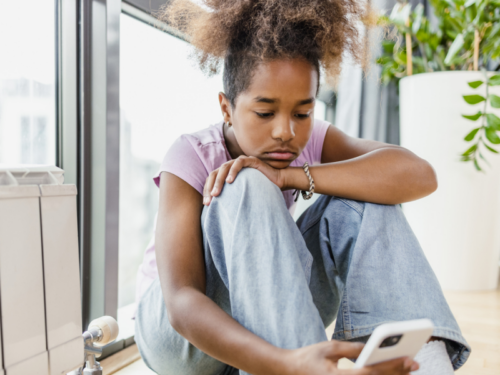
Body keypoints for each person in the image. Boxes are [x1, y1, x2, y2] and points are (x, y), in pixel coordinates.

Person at [134, 1, 470, 374]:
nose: (286, 131)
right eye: (265, 113)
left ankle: (420, 363)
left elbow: (419, 175)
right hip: (180, 341)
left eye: (303, 113)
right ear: (226, 108)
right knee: (246, 182)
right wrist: (285, 362)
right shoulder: (190, 154)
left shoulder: (304, 144)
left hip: (266, 331)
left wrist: (290, 175)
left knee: (365, 200)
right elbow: (181, 302)